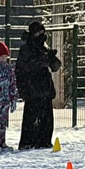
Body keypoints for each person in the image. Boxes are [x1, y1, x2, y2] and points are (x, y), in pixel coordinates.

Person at [15, 20, 62, 150]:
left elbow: (56, 66)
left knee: (46, 119)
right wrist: (45, 59)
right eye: (38, 33)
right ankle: (28, 142)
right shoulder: (26, 49)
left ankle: (44, 141)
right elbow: (29, 66)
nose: (41, 36)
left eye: (42, 33)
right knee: (31, 119)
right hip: (32, 89)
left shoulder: (43, 47)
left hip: (45, 89)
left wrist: (52, 58)